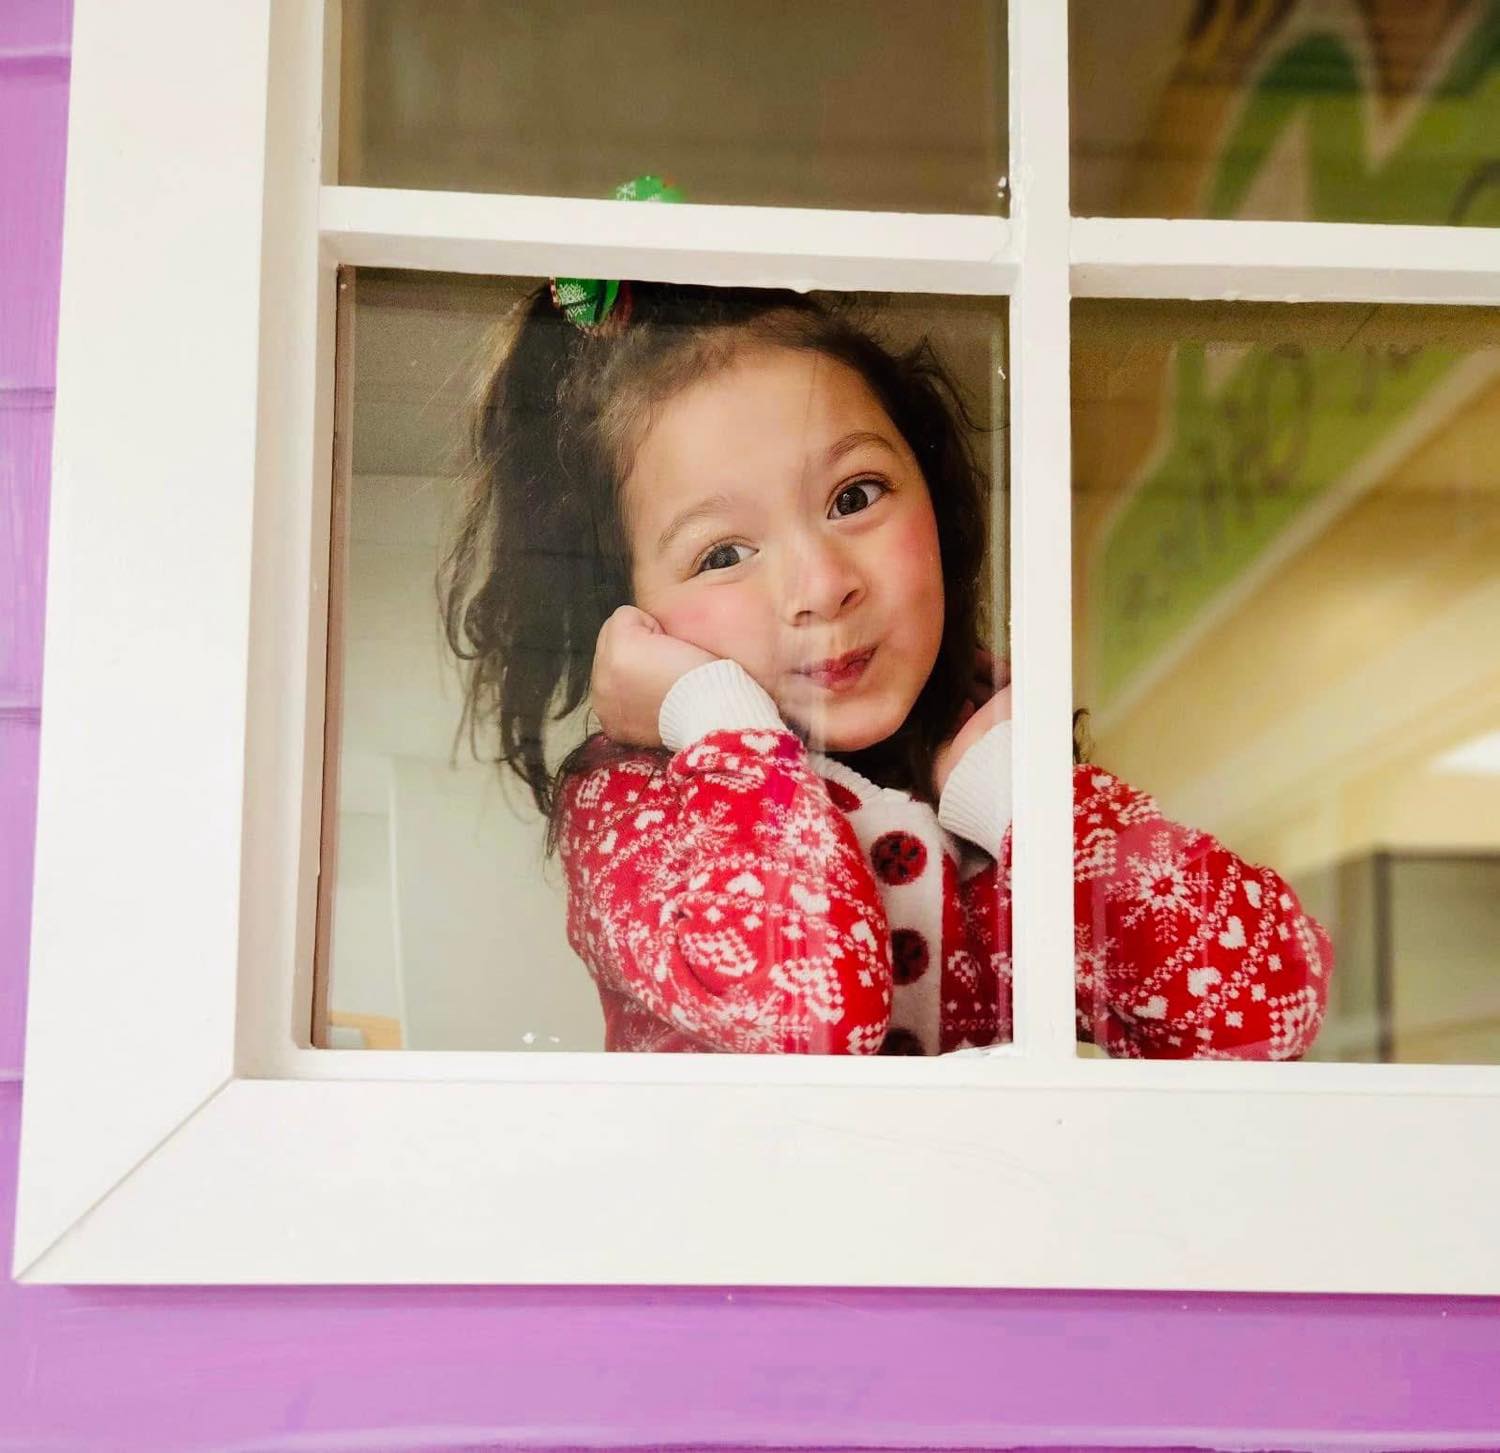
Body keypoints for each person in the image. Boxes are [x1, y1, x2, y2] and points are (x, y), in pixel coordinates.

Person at [440, 277, 1333, 1057]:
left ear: (937, 501)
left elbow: (1264, 1009)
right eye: (722, 554)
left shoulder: (998, 773)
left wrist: (1023, 792)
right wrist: (718, 722)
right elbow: (810, 1017)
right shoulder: (636, 811)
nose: (823, 586)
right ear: (625, 618)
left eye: (854, 496)